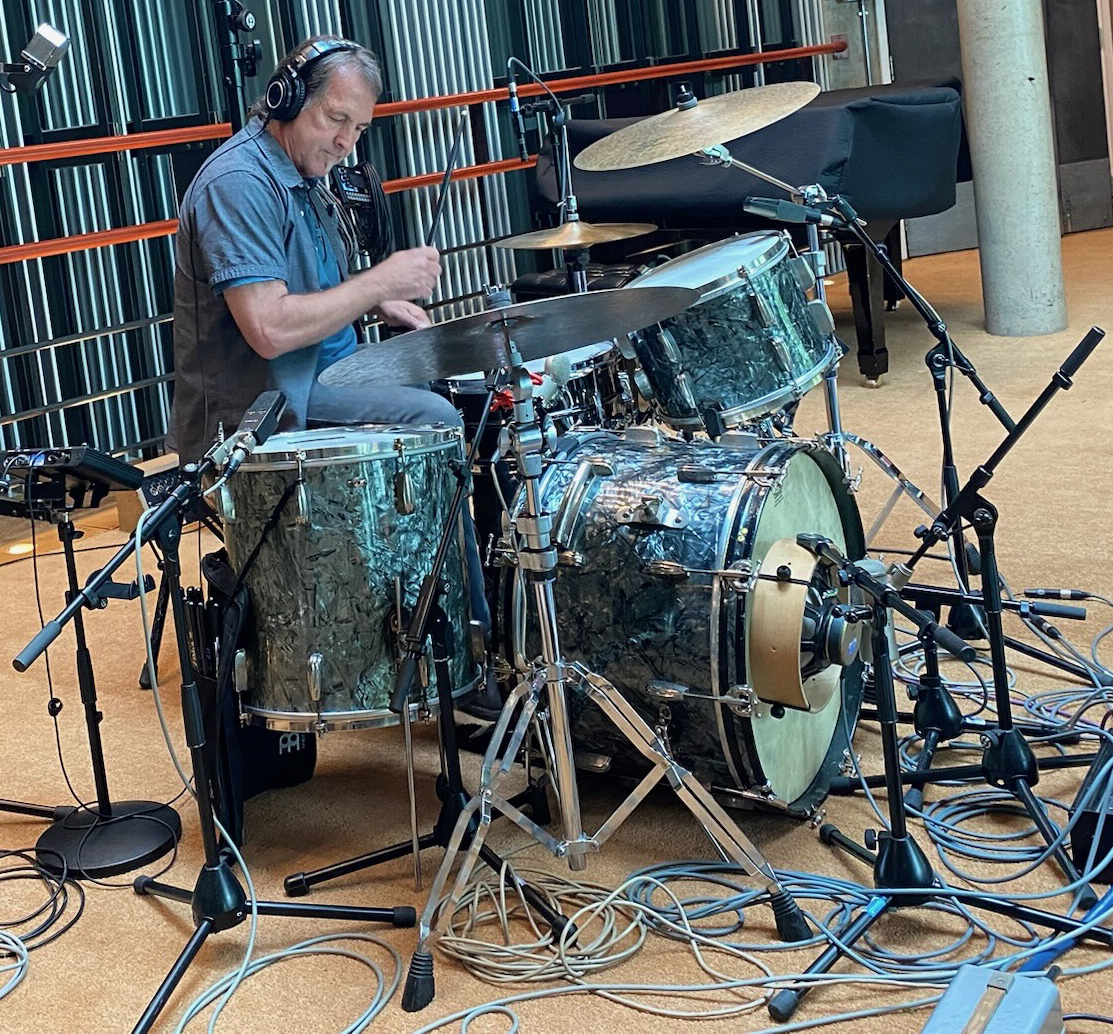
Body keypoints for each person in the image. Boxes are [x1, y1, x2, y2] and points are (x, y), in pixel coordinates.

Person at [168, 36, 498, 697]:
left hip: (319, 377)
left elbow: (313, 296)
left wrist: (379, 304)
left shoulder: (305, 174)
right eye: (335, 119)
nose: (347, 142)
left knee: (468, 387)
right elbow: (269, 330)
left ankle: (445, 609)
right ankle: (464, 655)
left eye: (360, 128)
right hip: (261, 410)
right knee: (434, 420)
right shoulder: (239, 185)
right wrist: (378, 282)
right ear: (286, 100)